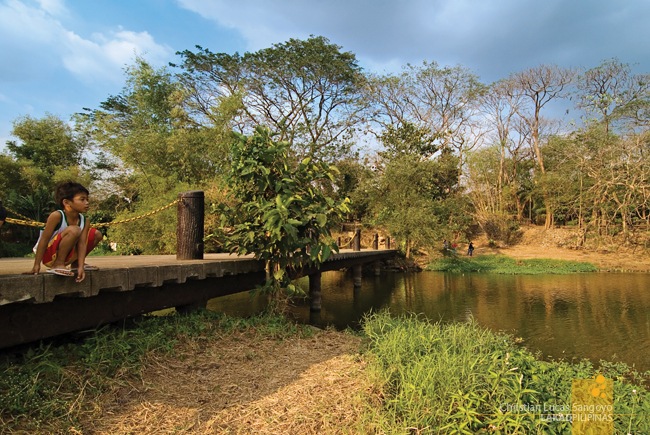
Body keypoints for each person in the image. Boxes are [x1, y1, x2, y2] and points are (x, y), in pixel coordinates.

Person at [27, 182, 103, 282]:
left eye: (87, 199)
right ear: (66, 202)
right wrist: (36, 265)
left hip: (68, 254)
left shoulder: (85, 220)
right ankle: (58, 264)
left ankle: (75, 264)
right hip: (49, 255)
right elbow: (44, 240)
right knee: (74, 229)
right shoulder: (57, 216)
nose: (87, 203)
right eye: (82, 199)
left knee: (97, 234)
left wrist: (80, 266)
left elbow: (82, 244)